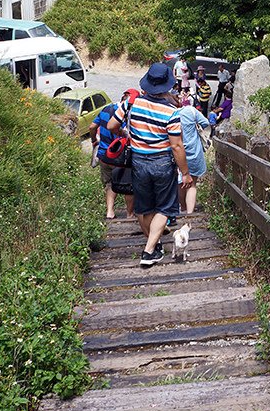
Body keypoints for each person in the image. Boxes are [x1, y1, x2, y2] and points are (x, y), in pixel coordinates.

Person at [108, 63, 193, 267]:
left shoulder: (131, 103)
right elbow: (177, 146)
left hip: (138, 162)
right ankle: (148, 252)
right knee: (164, 207)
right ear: (166, 86)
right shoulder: (171, 112)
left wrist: (127, 134)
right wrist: (186, 173)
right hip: (162, 163)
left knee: (144, 208)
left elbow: (111, 125)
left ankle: (154, 247)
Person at [89, 88, 139, 219]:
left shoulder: (106, 109)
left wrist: (94, 141)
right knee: (127, 184)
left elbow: (92, 127)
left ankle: (110, 212)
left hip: (105, 156)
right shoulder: (129, 114)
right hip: (122, 157)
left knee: (110, 183)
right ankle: (130, 214)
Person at [177, 98, 213, 214]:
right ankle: (190, 213)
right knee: (192, 184)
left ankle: (182, 208)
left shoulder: (171, 113)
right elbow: (206, 123)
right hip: (194, 151)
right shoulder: (191, 111)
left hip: (178, 152)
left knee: (180, 182)